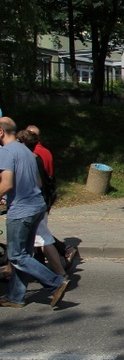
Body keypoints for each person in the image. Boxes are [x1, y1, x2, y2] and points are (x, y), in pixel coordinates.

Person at [0, 117, 69, 308]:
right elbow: (38, 182)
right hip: (37, 206)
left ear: (1, 132)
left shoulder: (6, 152)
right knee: (24, 254)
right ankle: (15, 296)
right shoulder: (27, 151)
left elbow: (6, 183)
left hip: (21, 210)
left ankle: (56, 282)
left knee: (16, 256)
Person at [16, 130, 67, 277]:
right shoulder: (36, 157)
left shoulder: (30, 158)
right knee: (38, 239)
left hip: (31, 205)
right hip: (40, 203)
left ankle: (57, 276)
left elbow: (36, 183)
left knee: (38, 241)